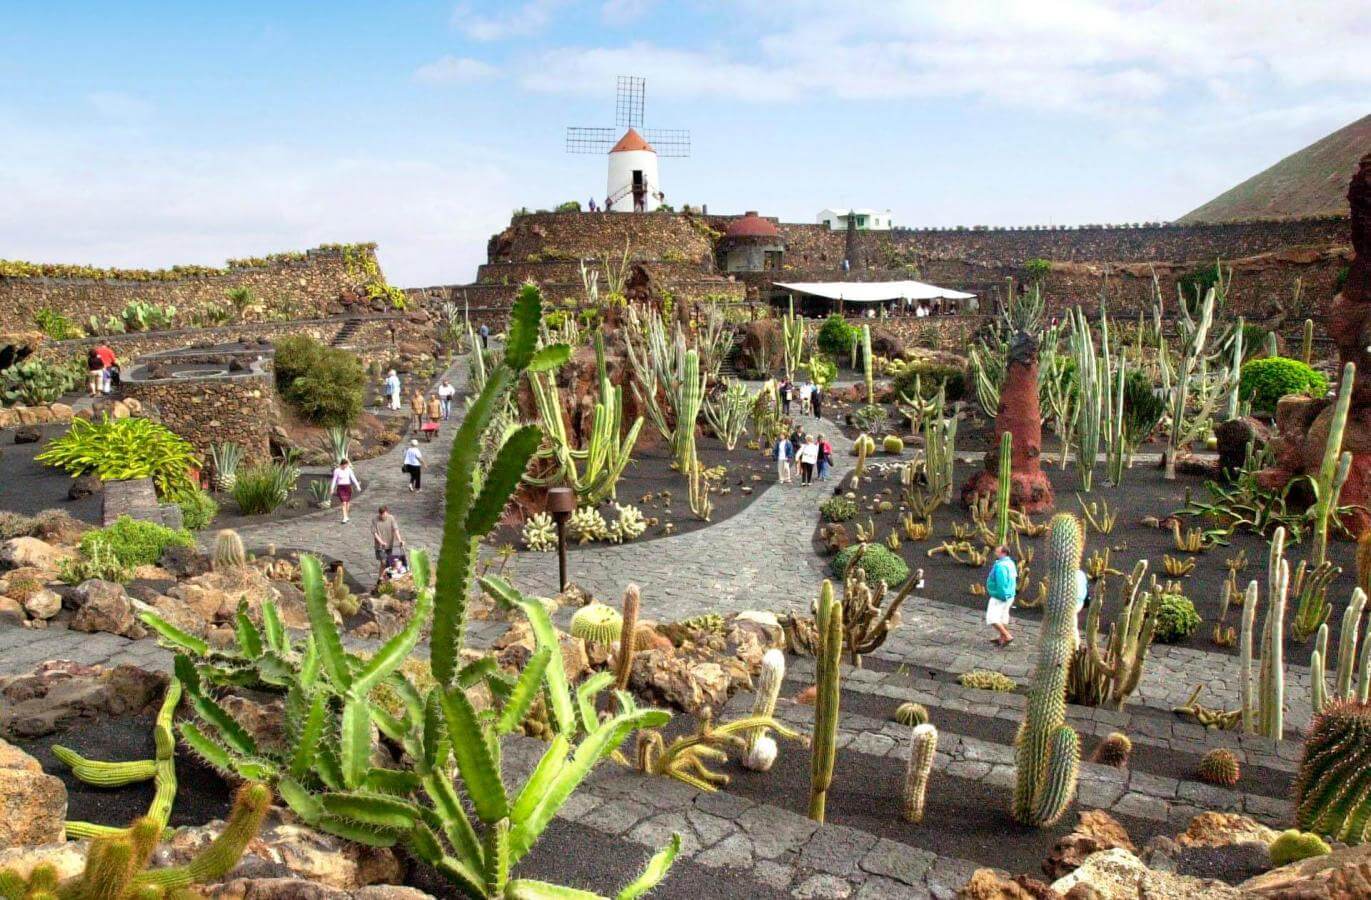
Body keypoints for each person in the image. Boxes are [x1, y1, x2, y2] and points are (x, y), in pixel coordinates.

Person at [985, 544, 1018, 646]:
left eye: (997, 551)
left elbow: (1001, 583)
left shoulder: (1000, 566)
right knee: (1003, 616)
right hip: (1010, 595)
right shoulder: (1010, 563)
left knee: (992, 618)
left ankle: (1007, 635)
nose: (995, 553)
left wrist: (1001, 595)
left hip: (1000, 596)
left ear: (1003, 553)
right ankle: (1001, 639)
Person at [372, 506, 403, 582]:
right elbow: (375, 533)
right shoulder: (374, 520)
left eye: (384, 515)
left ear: (387, 512)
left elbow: (396, 530)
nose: (383, 516)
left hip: (389, 545)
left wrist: (400, 540)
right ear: (379, 514)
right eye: (381, 515)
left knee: (387, 564)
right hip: (380, 546)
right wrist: (381, 542)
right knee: (383, 562)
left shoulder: (391, 518)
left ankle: (381, 579)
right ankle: (382, 579)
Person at [330, 458, 362, 523]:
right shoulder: (337, 470)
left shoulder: (349, 470)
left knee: (347, 502)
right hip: (341, 487)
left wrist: (357, 486)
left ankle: (347, 515)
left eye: (347, 465)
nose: (346, 466)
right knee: (344, 502)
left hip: (347, 487)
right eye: (345, 465)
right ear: (342, 464)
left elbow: (353, 478)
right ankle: (344, 517)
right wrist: (332, 488)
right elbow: (334, 480)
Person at [1074, 567, 1090, 643]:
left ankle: (1076, 644)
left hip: (1072, 601)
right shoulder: (1081, 574)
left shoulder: (1066, 575)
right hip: (1080, 602)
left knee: (1071, 622)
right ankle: (1076, 645)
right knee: (1073, 620)